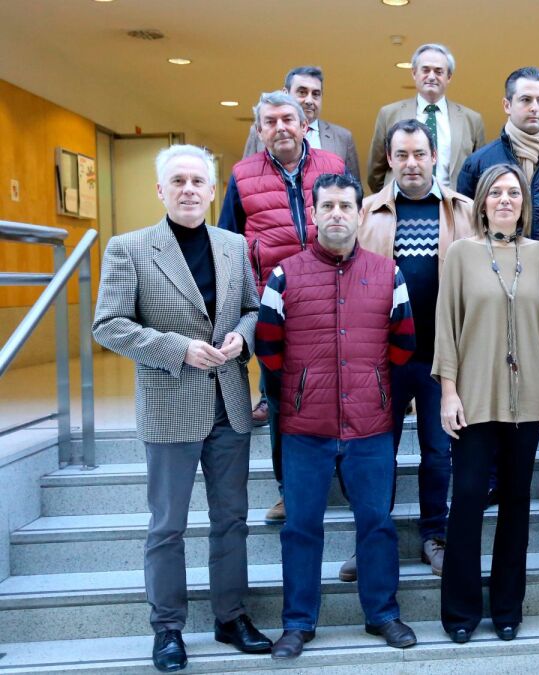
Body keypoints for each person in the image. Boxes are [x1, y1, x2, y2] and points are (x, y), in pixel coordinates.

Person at [93, 145, 271, 672]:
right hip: (170, 405)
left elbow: (253, 309)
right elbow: (108, 325)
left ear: (213, 191)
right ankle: (167, 628)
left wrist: (243, 337)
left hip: (229, 405)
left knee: (231, 519)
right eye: (178, 181)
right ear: (161, 190)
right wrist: (178, 349)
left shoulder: (234, 245)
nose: (189, 189)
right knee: (167, 525)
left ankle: (230, 616)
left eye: (198, 181)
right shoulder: (129, 248)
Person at [256, 173, 419, 659]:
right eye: (327, 206)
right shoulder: (284, 275)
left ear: (360, 213)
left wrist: (372, 386)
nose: (336, 214)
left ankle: (383, 614)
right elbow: (268, 348)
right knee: (300, 526)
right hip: (306, 427)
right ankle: (297, 623)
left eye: (346, 206)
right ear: (313, 213)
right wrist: (304, 390)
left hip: (371, 424)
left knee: (377, 522)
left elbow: (404, 344)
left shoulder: (388, 273)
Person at [433, 164, 539, 644]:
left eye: (513, 193)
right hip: (473, 395)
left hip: (529, 396)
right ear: (483, 203)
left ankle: (508, 608)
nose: (505, 200)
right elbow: (446, 326)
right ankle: (460, 611)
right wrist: (448, 393)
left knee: (516, 501)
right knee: (468, 498)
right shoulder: (461, 254)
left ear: (524, 203)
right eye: (496, 193)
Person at [456, 66, 539, 507]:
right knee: (496, 377)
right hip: (493, 289)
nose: (534, 108)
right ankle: (494, 476)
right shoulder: (480, 163)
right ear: (507, 104)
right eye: (525, 100)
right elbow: (466, 227)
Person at [219, 90, 347, 523]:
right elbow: (227, 244)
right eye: (270, 122)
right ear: (259, 131)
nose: (280, 128)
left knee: (338, 393)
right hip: (272, 308)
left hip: (334, 303)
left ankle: (343, 479)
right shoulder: (242, 176)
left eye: (287, 120)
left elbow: (356, 226)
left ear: (305, 124)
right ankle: (290, 491)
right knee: (281, 402)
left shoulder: (334, 166)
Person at [356, 118, 473, 579]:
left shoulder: (462, 211)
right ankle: (371, 540)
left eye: (419, 154)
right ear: (389, 158)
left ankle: (434, 536)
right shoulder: (366, 213)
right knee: (376, 452)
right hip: (382, 357)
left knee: (438, 452)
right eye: (401, 155)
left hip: (441, 357)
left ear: (434, 157)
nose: (411, 163)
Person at [367, 43, 486, 192]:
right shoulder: (389, 114)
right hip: (401, 202)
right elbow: (375, 172)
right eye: (425, 70)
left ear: (449, 77)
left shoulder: (472, 120)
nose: (431, 76)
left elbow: (480, 172)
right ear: (414, 73)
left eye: (438, 71)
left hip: (452, 202)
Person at [242, 66, 360, 180]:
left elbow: (354, 188)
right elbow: (245, 179)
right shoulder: (261, 132)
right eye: (302, 92)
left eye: (315, 94)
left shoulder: (342, 137)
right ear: (285, 93)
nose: (309, 100)